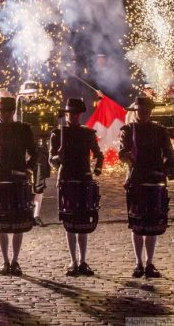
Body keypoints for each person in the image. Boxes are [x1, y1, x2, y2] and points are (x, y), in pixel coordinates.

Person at [119, 96, 174, 278]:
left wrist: (167, 171)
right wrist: (129, 156)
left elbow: (170, 154)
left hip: (154, 180)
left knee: (152, 223)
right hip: (136, 180)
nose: (143, 114)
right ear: (136, 111)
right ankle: (138, 263)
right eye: (140, 111)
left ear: (150, 112)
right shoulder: (128, 130)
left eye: (146, 111)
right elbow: (122, 153)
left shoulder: (159, 130)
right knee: (137, 223)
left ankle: (150, 262)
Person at [50, 98, 104, 276]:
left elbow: (98, 154)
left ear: (79, 114)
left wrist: (97, 168)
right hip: (67, 178)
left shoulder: (87, 134)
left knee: (82, 221)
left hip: (83, 178)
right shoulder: (58, 134)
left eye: (75, 113)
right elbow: (52, 160)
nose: (72, 116)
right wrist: (58, 157)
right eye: (69, 113)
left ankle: (83, 260)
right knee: (69, 222)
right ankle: (73, 260)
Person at [0, 96, 37, 276]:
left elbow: (34, 153)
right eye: (2, 111)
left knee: (18, 221)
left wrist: (28, 168)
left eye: (7, 111)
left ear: (13, 112)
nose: (4, 114)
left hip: (19, 178)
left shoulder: (23, 129)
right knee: (2, 221)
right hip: (0, 178)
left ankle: (15, 260)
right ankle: (5, 261)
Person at [17, 80, 51, 227]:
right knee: (21, 180)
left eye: (34, 95)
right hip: (21, 148)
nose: (32, 97)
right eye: (28, 95)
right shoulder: (18, 106)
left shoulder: (44, 107)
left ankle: (36, 214)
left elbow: (49, 127)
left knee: (39, 183)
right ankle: (23, 211)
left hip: (39, 148)